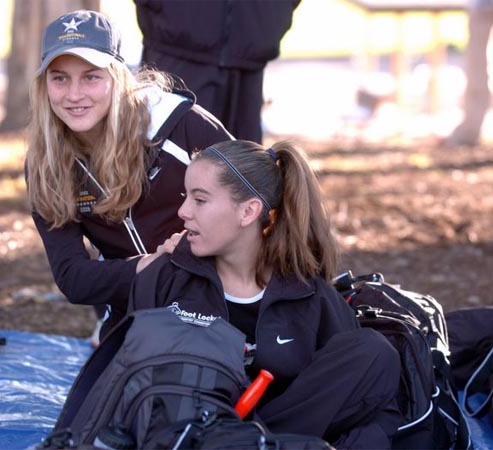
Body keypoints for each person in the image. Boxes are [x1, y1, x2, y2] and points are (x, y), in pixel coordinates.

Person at [128, 139, 402, 448]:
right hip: (185, 436)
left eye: (200, 200)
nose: (183, 211)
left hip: (286, 438)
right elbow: (127, 388)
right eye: (185, 196)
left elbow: (372, 409)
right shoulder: (163, 279)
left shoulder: (311, 296)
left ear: (248, 211)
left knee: (374, 351)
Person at [25, 10, 233, 344]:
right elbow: (73, 278)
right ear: (43, 85)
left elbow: (260, 211)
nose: (74, 94)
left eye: (91, 77)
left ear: (118, 77)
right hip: (135, 312)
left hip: (226, 301)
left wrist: (197, 244)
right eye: (59, 78)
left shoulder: (182, 126)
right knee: (96, 398)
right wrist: (154, 265)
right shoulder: (45, 164)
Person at [133, 0, 301, 144]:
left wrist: (278, 8)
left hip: (250, 53)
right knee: (166, 165)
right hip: (175, 51)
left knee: (243, 171)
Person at [443, 0, 493, 147]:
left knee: (476, 68)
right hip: (482, 5)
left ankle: (469, 130)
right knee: (476, 68)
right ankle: (470, 130)